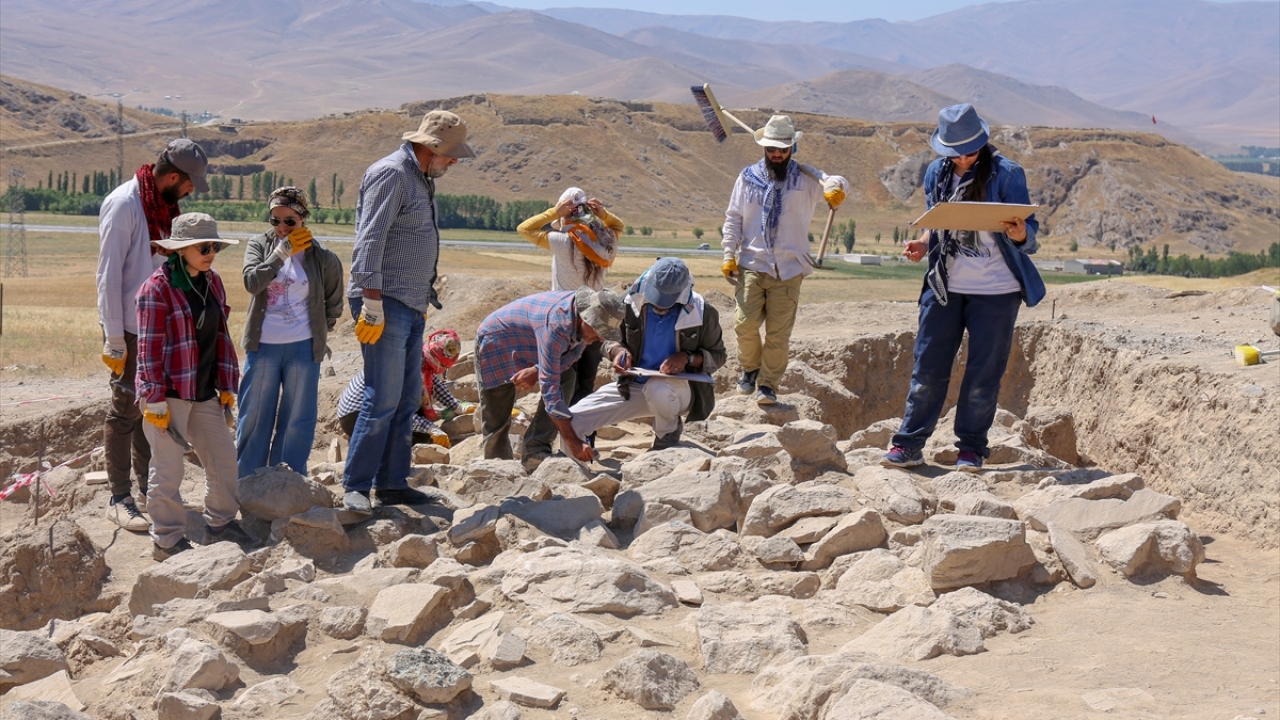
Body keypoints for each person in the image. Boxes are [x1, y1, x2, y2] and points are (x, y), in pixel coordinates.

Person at [882, 103, 1044, 473]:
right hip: (944, 286)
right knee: (928, 367)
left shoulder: (1007, 174)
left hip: (997, 291)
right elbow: (936, 224)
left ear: (982, 143)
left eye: (970, 152)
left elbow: (1029, 234)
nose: (963, 159)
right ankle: (908, 444)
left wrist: (1021, 233)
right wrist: (922, 243)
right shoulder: (936, 173)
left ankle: (970, 450)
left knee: (983, 374)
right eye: (956, 153)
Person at [342, 110, 475, 513]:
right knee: (381, 396)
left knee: (404, 399)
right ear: (430, 148)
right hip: (384, 300)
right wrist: (371, 302)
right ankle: (356, 487)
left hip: (411, 302)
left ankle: (393, 483)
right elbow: (370, 240)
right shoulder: (391, 174)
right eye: (450, 155)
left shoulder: (421, 178)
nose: (453, 163)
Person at [96, 138, 209, 532]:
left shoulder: (165, 208)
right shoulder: (124, 205)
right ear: (174, 177)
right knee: (124, 411)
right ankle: (119, 497)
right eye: (190, 183)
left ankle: (148, 489)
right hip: (129, 327)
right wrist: (114, 338)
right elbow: (108, 276)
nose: (192, 190)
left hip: (159, 324)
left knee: (152, 408)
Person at [136, 213, 255, 561]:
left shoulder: (212, 282)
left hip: (203, 391)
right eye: (204, 247)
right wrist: (154, 398)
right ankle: (167, 541)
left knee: (223, 459)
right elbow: (147, 349)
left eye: (214, 246)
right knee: (168, 470)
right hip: (167, 396)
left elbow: (219, 336)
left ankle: (220, 524)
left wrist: (226, 384)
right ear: (180, 249)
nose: (211, 253)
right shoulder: (156, 289)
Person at [721, 114, 848, 406]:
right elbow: (734, 217)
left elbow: (837, 181)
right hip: (752, 263)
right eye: (771, 149)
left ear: (792, 148)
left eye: (782, 149)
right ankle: (750, 368)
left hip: (790, 268)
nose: (776, 154)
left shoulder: (807, 179)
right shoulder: (746, 178)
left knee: (778, 334)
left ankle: (768, 385)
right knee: (744, 324)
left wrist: (836, 188)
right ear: (763, 148)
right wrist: (728, 253)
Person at [236, 186, 344, 479]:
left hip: (303, 347)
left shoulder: (322, 256)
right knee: (254, 415)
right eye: (275, 221)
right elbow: (252, 282)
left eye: (289, 221)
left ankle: (287, 480)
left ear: (303, 218)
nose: (282, 227)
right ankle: (246, 480)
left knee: (297, 417)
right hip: (263, 345)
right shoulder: (259, 245)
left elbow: (334, 302)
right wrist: (281, 253)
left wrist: (319, 331)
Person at [516, 187, 624, 469]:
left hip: (565, 323)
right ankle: (586, 445)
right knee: (585, 386)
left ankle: (544, 445)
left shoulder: (562, 242)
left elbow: (524, 229)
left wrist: (555, 212)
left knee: (561, 384)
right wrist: (604, 215)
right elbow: (618, 226)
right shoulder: (605, 243)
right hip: (595, 324)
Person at [569, 258, 726, 450]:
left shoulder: (702, 311)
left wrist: (688, 358)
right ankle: (574, 463)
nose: (659, 305)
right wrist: (618, 351)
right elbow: (607, 338)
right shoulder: (630, 301)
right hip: (633, 384)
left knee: (658, 388)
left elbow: (719, 355)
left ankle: (667, 434)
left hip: (678, 392)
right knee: (573, 420)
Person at [475, 288, 624, 465]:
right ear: (586, 319)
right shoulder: (558, 325)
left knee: (566, 378)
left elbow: (573, 355)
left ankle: (535, 449)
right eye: (599, 331)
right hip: (495, 341)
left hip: (529, 342)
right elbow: (550, 392)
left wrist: (538, 369)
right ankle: (497, 470)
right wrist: (573, 442)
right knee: (496, 419)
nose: (600, 338)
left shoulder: (580, 320)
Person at [336, 329, 473, 448]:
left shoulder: (420, 357)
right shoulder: (404, 366)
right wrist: (431, 428)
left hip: (368, 408)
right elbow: (402, 412)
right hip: (355, 415)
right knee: (417, 435)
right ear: (434, 357)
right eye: (442, 365)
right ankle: (367, 444)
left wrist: (456, 406)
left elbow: (435, 384)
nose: (442, 369)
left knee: (421, 419)